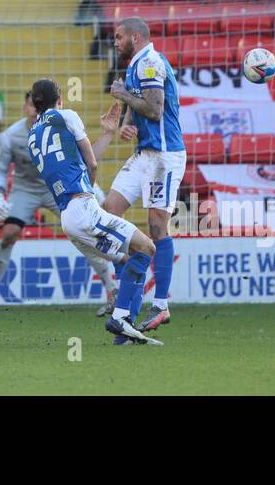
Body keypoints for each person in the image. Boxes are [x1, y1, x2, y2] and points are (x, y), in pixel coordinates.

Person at [25, 78, 159, 345]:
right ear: (59, 99)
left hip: (68, 219)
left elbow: (76, 164)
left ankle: (125, 331)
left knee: (128, 257)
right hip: (84, 208)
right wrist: (91, 193)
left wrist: (108, 132)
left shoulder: (32, 134)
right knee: (147, 247)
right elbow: (91, 163)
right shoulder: (67, 116)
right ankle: (121, 318)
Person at [0, 91, 121, 315]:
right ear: (25, 108)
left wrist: (92, 187)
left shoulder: (62, 126)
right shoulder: (11, 136)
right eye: (31, 106)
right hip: (26, 189)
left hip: (58, 187)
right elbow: (2, 172)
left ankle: (111, 290)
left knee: (85, 232)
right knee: (9, 233)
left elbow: (82, 160)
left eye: (38, 107)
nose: (35, 111)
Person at [103, 17, 186, 341]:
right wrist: (125, 125)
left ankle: (161, 303)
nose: (115, 41)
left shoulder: (151, 62)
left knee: (156, 226)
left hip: (165, 155)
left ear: (136, 37)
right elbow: (135, 115)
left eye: (119, 36)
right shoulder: (133, 66)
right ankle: (129, 294)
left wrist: (123, 94)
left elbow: (153, 109)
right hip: (145, 153)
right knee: (107, 213)